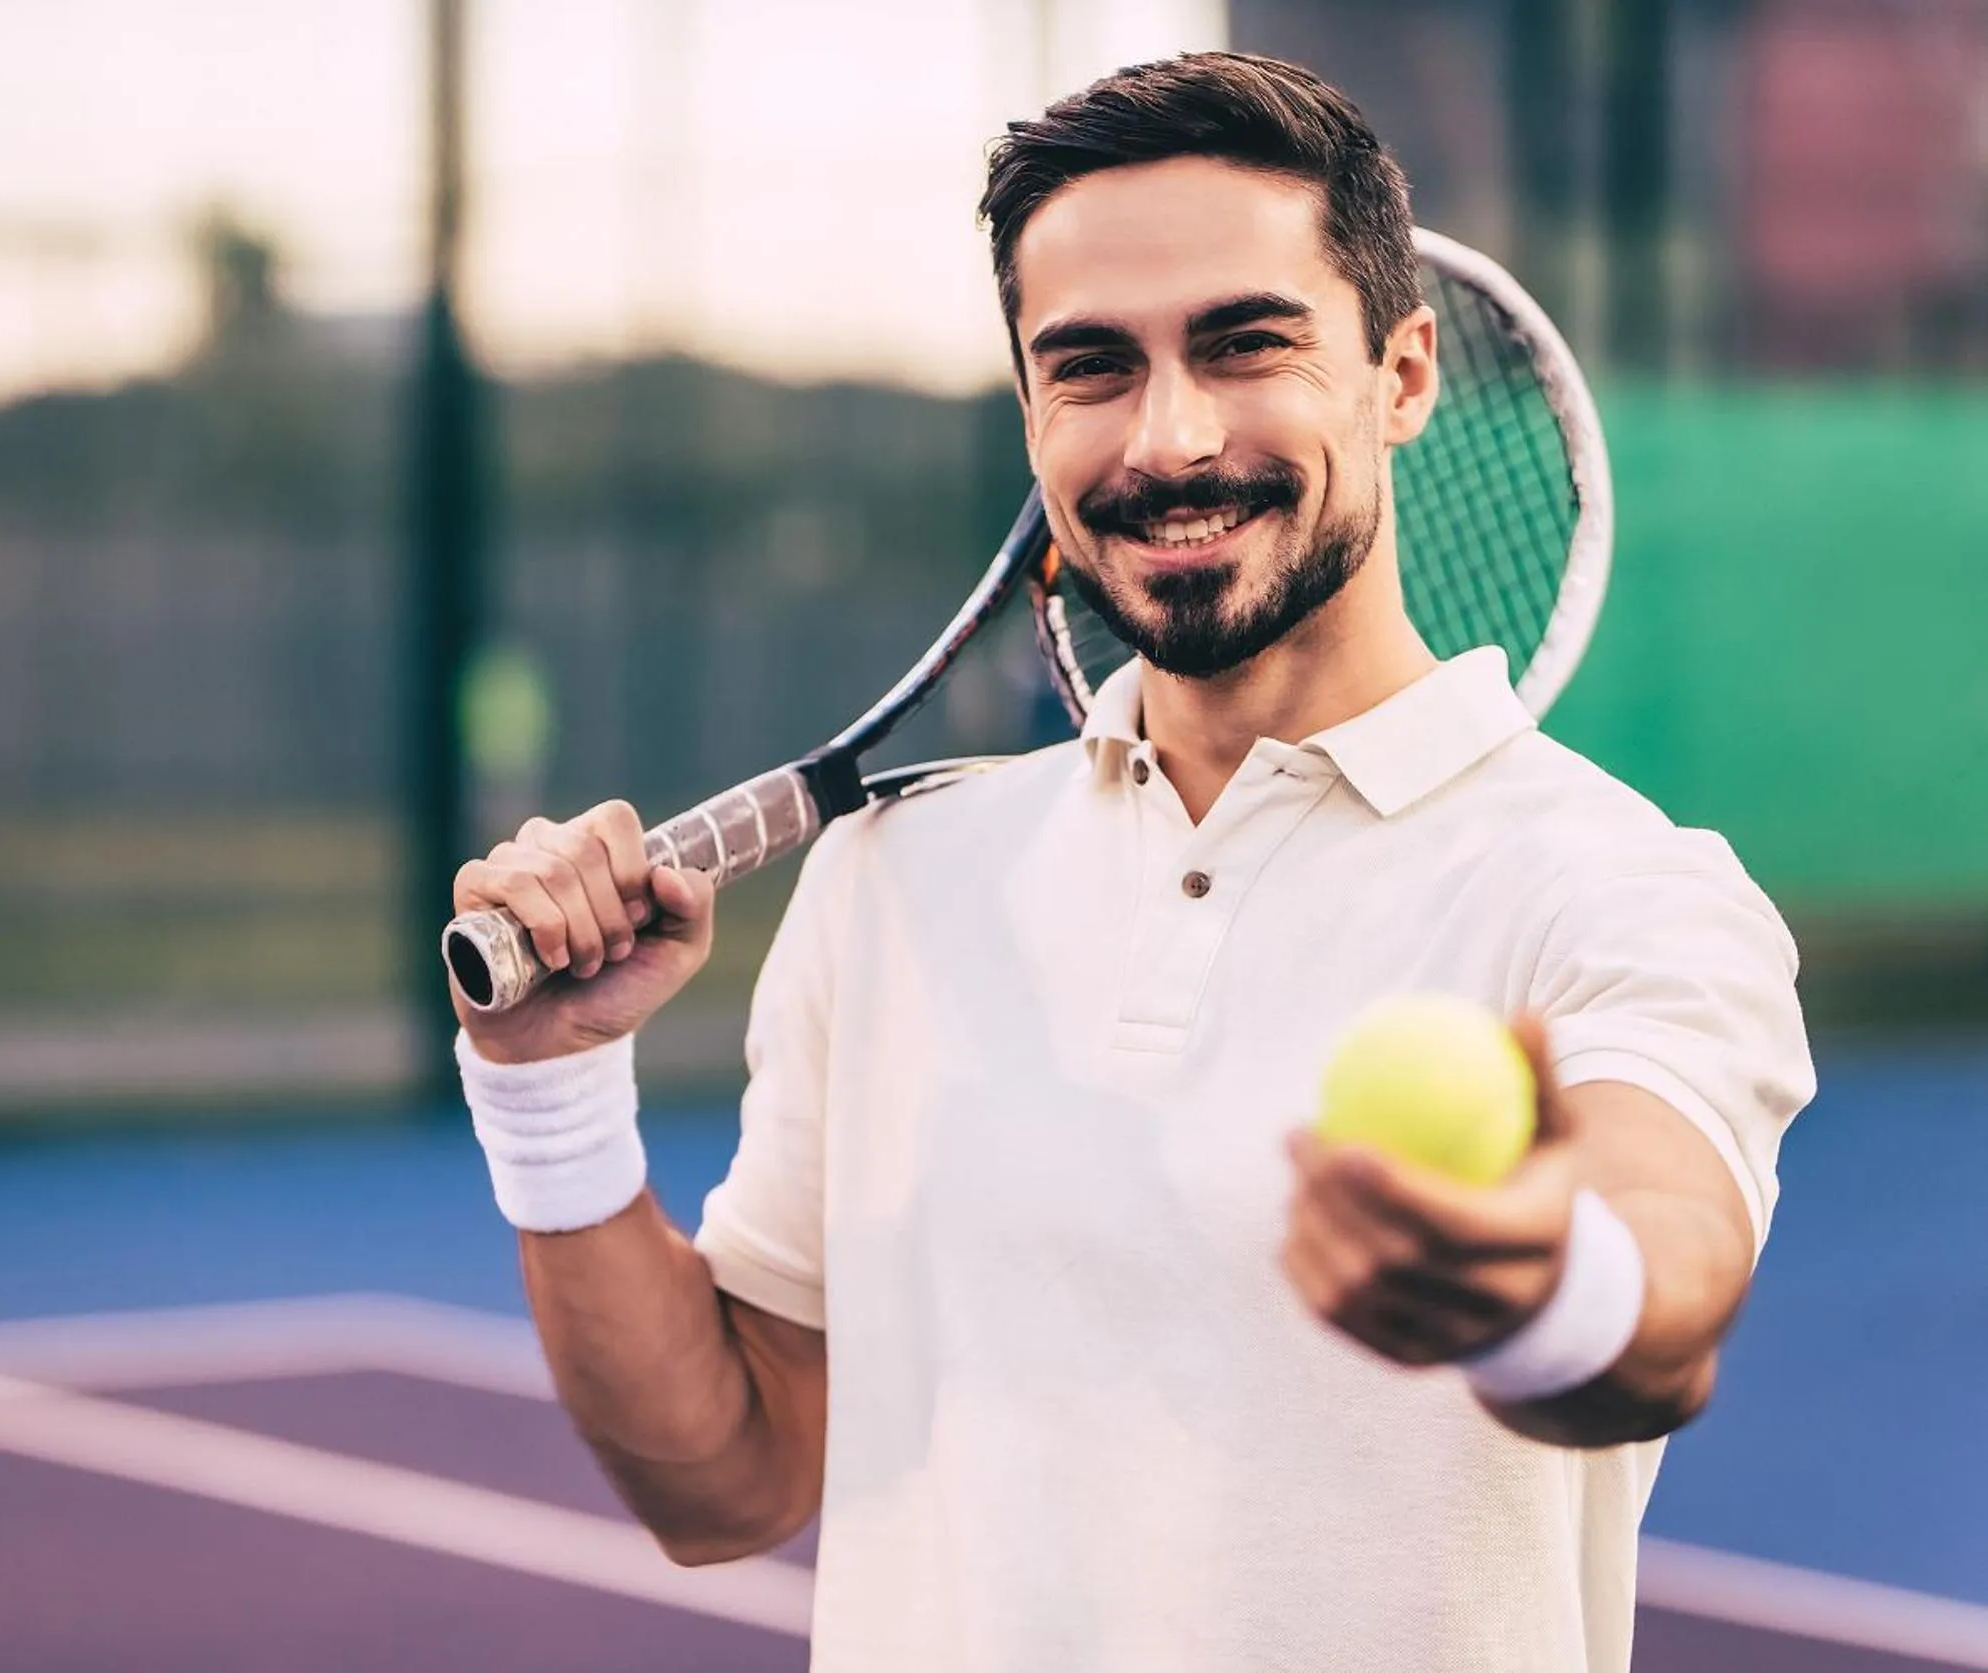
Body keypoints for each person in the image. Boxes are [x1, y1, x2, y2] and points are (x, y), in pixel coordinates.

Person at [447, 52, 1814, 1673]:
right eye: (1089, 367)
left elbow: (1656, 1300)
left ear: (1400, 376)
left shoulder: (1625, 890)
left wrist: (1543, 1287)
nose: (1167, 439)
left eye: (1245, 344)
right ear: (1031, 412)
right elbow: (722, 1485)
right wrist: (547, 1091)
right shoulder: (898, 876)